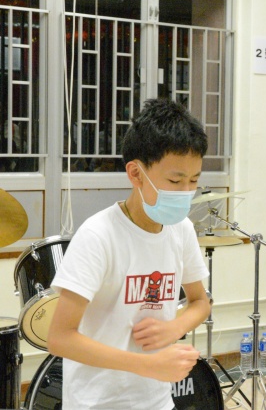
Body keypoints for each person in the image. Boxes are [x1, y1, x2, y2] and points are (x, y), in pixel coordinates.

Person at [48, 98, 212, 410]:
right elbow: (60, 338)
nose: (186, 192)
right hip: (96, 403)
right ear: (136, 174)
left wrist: (174, 327)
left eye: (193, 181)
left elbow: (200, 302)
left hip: (157, 400)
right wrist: (147, 365)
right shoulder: (98, 235)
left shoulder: (181, 229)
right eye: (175, 180)